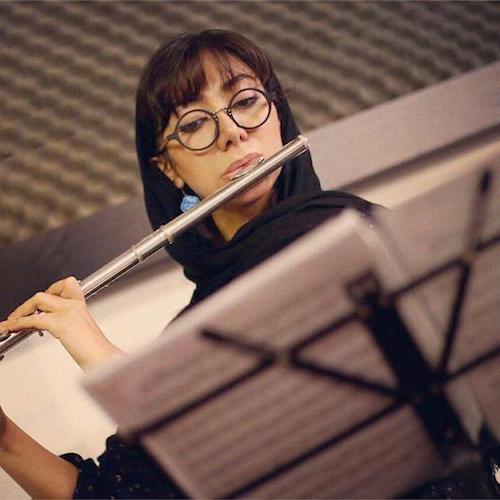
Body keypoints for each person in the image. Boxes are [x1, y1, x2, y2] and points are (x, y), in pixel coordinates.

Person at [2, 29, 490, 499]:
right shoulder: (200, 333)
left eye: (247, 101)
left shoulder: (348, 233)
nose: (233, 132)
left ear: (278, 115)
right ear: (169, 168)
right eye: (194, 124)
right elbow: (112, 495)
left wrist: (99, 353)